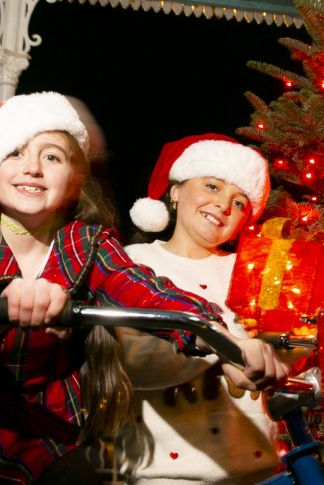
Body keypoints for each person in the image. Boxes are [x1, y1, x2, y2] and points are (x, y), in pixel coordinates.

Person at [0, 92, 286, 484]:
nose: (32, 168)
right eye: (15, 153)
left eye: (51, 157)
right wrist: (0, 309)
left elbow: (149, 291)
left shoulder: (87, 243)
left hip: (49, 437)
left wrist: (224, 339)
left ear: (73, 180)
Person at [115, 133, 286, 484]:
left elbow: (281, 347)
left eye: (240, 202)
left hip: (262, 470)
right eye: (212, 186)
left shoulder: (251, 268)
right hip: (166, 474)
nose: (224, 205)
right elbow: (134, 361)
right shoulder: (134, 265)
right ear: (175, 191)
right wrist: (225, 351)